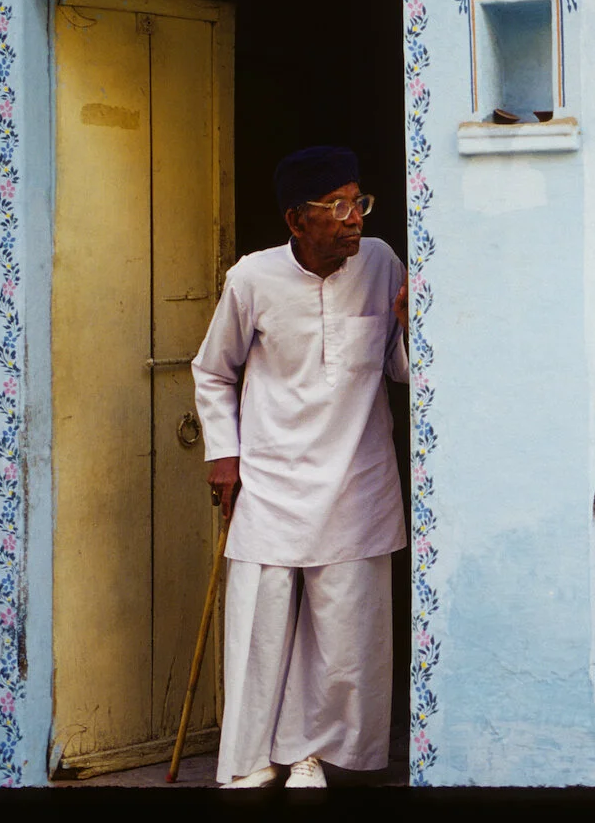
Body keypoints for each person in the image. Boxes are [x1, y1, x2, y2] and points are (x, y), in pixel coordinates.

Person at [192, 145, 411, 789]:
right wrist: (223, 455)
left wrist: (410, 327)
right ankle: (254, 757)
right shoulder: (251, 279)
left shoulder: (382, 262)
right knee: (260, 624)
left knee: (346, 629)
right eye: (337, 206)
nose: (354, 218)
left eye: (358, 202)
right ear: (296, 220)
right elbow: (213, 370)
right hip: (270, 476)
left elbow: (402, 371)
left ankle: (317, 753)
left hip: (358, 476)